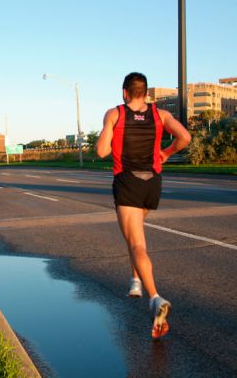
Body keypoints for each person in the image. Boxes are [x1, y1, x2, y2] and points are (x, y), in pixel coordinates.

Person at [96, 72, 191, 338]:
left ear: (125, 92)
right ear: (146, 93)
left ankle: (155, 298)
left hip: (128, 182)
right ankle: (135, 281)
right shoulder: (160, 115)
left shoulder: (115, 113)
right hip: (152, 183)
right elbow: (185, 137)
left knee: (137, 243)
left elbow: (102, 151)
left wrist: (107, 133)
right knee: (135, 233)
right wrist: (166, 153)